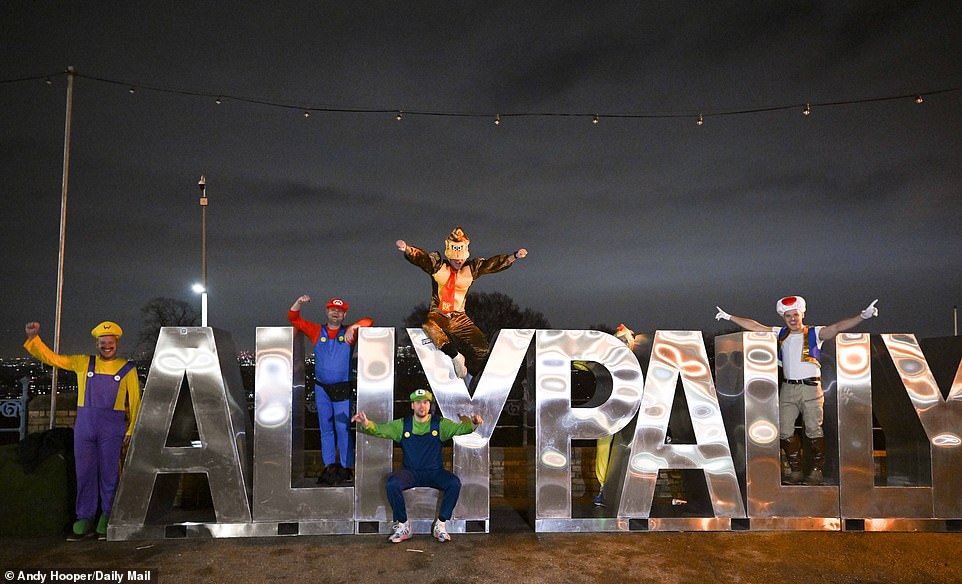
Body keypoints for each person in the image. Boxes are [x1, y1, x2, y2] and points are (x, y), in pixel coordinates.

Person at [715, 296, 879, 484]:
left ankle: (816, 470)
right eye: (788, 316)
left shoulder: (814, 333)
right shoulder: (781, 333)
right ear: (783, 318)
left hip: (811, 388)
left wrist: (862, 316)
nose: (792, 319)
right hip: (788, 388)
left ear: (802, 314)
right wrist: (729, 317)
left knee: (813, 429)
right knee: (784, 431)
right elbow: (757, 327)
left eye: (795, 315)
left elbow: (836, 328)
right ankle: (796, 470)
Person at [23, 320, 142, 540]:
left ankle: (108, 516)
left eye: (111, 342)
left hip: (112, 428)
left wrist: (131, 430)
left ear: (117, 343)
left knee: (109, 474)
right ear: (97, 344)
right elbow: (53, 359)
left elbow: (135, 402)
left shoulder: (127, 369)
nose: (107, 345)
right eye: (103, 342)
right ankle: (84, 517)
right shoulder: (82, 363)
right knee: (85, 473)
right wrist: (34, 339)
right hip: (85, 427)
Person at [396, 226, 527, 381]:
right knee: (428, 324)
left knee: (482, 349)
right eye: (455, 259)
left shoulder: (471, 269)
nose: (458, 262)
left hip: (460, 317)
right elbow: (422, 259)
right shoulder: (438, 266)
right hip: (440, 313)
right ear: (449, 256)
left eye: (461, 259)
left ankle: (469, 378)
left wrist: (513, 257)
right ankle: (455, 356)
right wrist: (408, 250)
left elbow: (491, 265)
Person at [352, 388, 482, 543]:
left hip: (434, 472)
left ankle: (440, 525)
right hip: (410, 473)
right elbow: (381, 430)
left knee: (454, 483)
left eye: (426, 402)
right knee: (392, 484)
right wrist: (366, 422)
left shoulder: (439, 424)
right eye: (418, 402)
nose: (422, 406)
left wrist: (474, 423)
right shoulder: (402, 425)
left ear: (429, 405)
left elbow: (461, 429)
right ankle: (403, 525)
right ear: (412, 405)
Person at [288, 295, 371, 486]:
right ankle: (329, 466)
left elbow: (369, 322)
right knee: (325, 428)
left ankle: (345, 465)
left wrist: (356, 326)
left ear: (344, 314)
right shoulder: (318, 330)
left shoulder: (349, 333)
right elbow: (293, 318)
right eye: (332, 309)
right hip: (322, 388)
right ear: (327, 311)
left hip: (342, 388)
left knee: (343, 428)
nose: (336, 313)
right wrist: (299, 303)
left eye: (340, 311)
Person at [591, 323, 639, 507]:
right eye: (620, 342)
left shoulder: (635, 360)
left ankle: (629, 490)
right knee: (603, 446)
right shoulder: (609, 360)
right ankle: (603, 488)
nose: (624, 346)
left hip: (629, 410)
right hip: (611, 411)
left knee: (629, 448)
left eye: (626, 343)